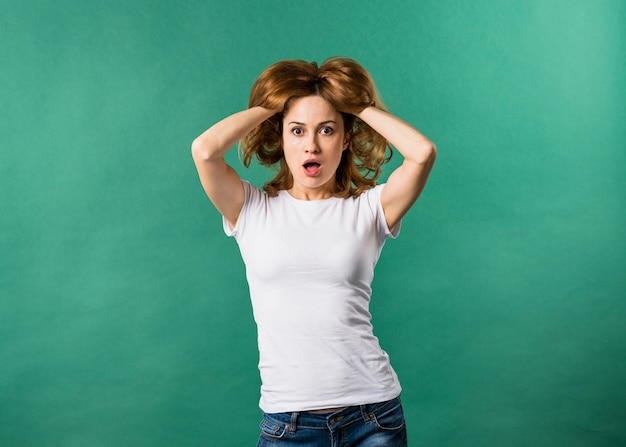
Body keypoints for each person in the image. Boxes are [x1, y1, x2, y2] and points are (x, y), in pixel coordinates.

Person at [191, 57, 436, 447]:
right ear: (281, 137)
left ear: (345, 138)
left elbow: (422, 152)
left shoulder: (369, 209)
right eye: (297, 130)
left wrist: (353, 104)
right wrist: (277, 101)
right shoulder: (251, 209)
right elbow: (204, 150)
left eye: (326, 129)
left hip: (372, 416)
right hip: (288, 423)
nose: (312, 144)